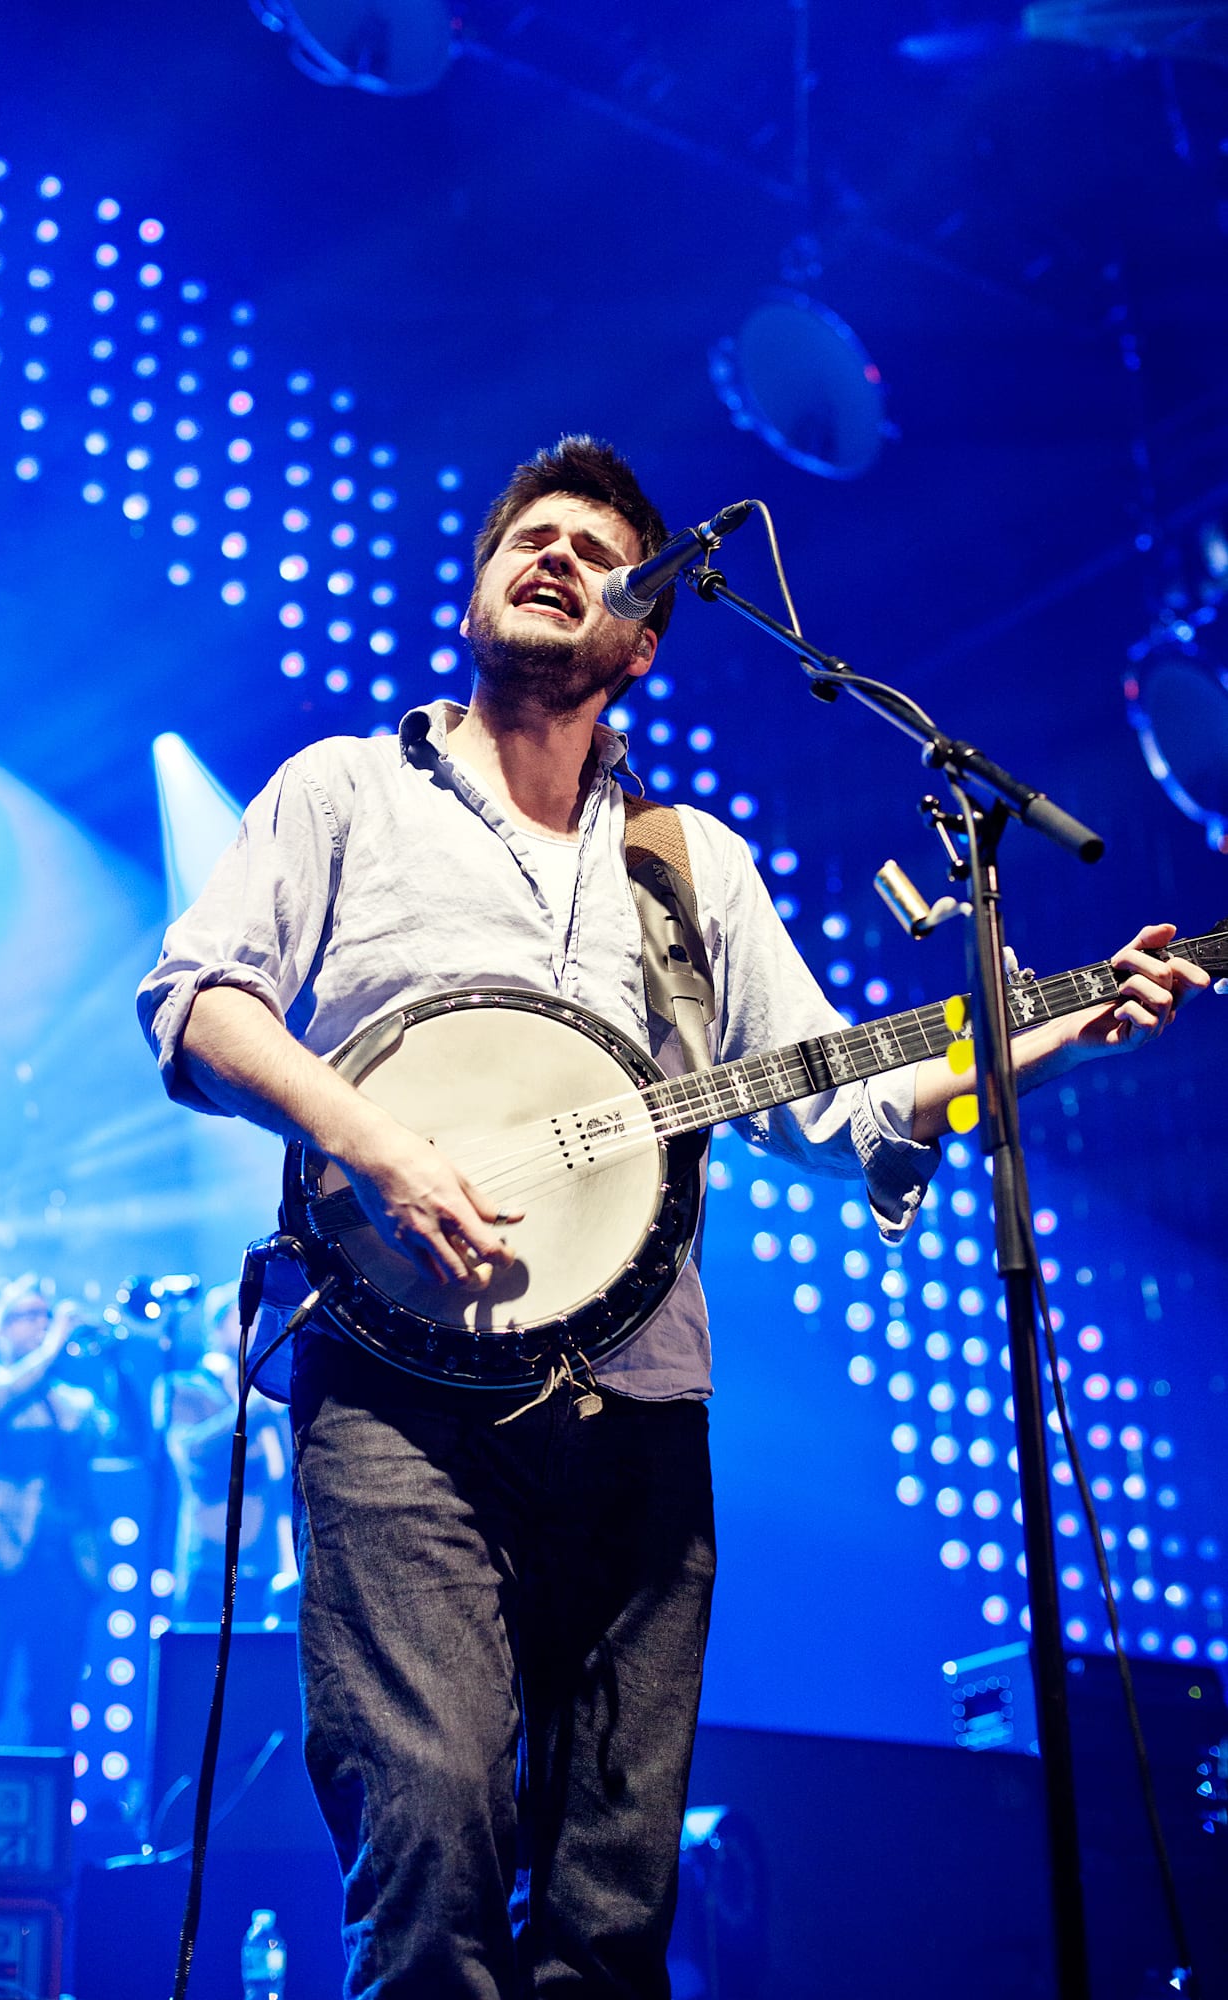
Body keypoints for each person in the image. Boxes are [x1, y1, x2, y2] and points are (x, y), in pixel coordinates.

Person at [136, 436, 1207, 1998]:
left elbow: (841, 1102)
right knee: (430, 1844)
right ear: (477, 591)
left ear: (642, 639)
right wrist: (378, 1148)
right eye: (529, 537)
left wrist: (1052, 1030)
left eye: (597, 552)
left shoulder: (687, 863)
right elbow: (196, 1004)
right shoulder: (344, 789)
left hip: (634, 1408)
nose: (556, 556)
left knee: (611, 1907)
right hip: (394, 1399)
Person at [0, 1273, 117, 1747]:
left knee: (54, 1709)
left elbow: (128, 1442)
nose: (43, 1323)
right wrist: (57, 1341)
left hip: (66, 1568)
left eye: (48, 1316)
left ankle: (45, 1800)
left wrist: (116, 1364)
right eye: (30, 1315)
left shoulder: (74, 1400)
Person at [152, 1280, 295, 1624]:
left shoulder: (271, 1391)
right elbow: (192, 1453)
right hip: (214, 1568)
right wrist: (257, 1407)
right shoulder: (183, 1388)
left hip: (274, 1565)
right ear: (216, 1329)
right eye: (247, 1316)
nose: (258, 1326)